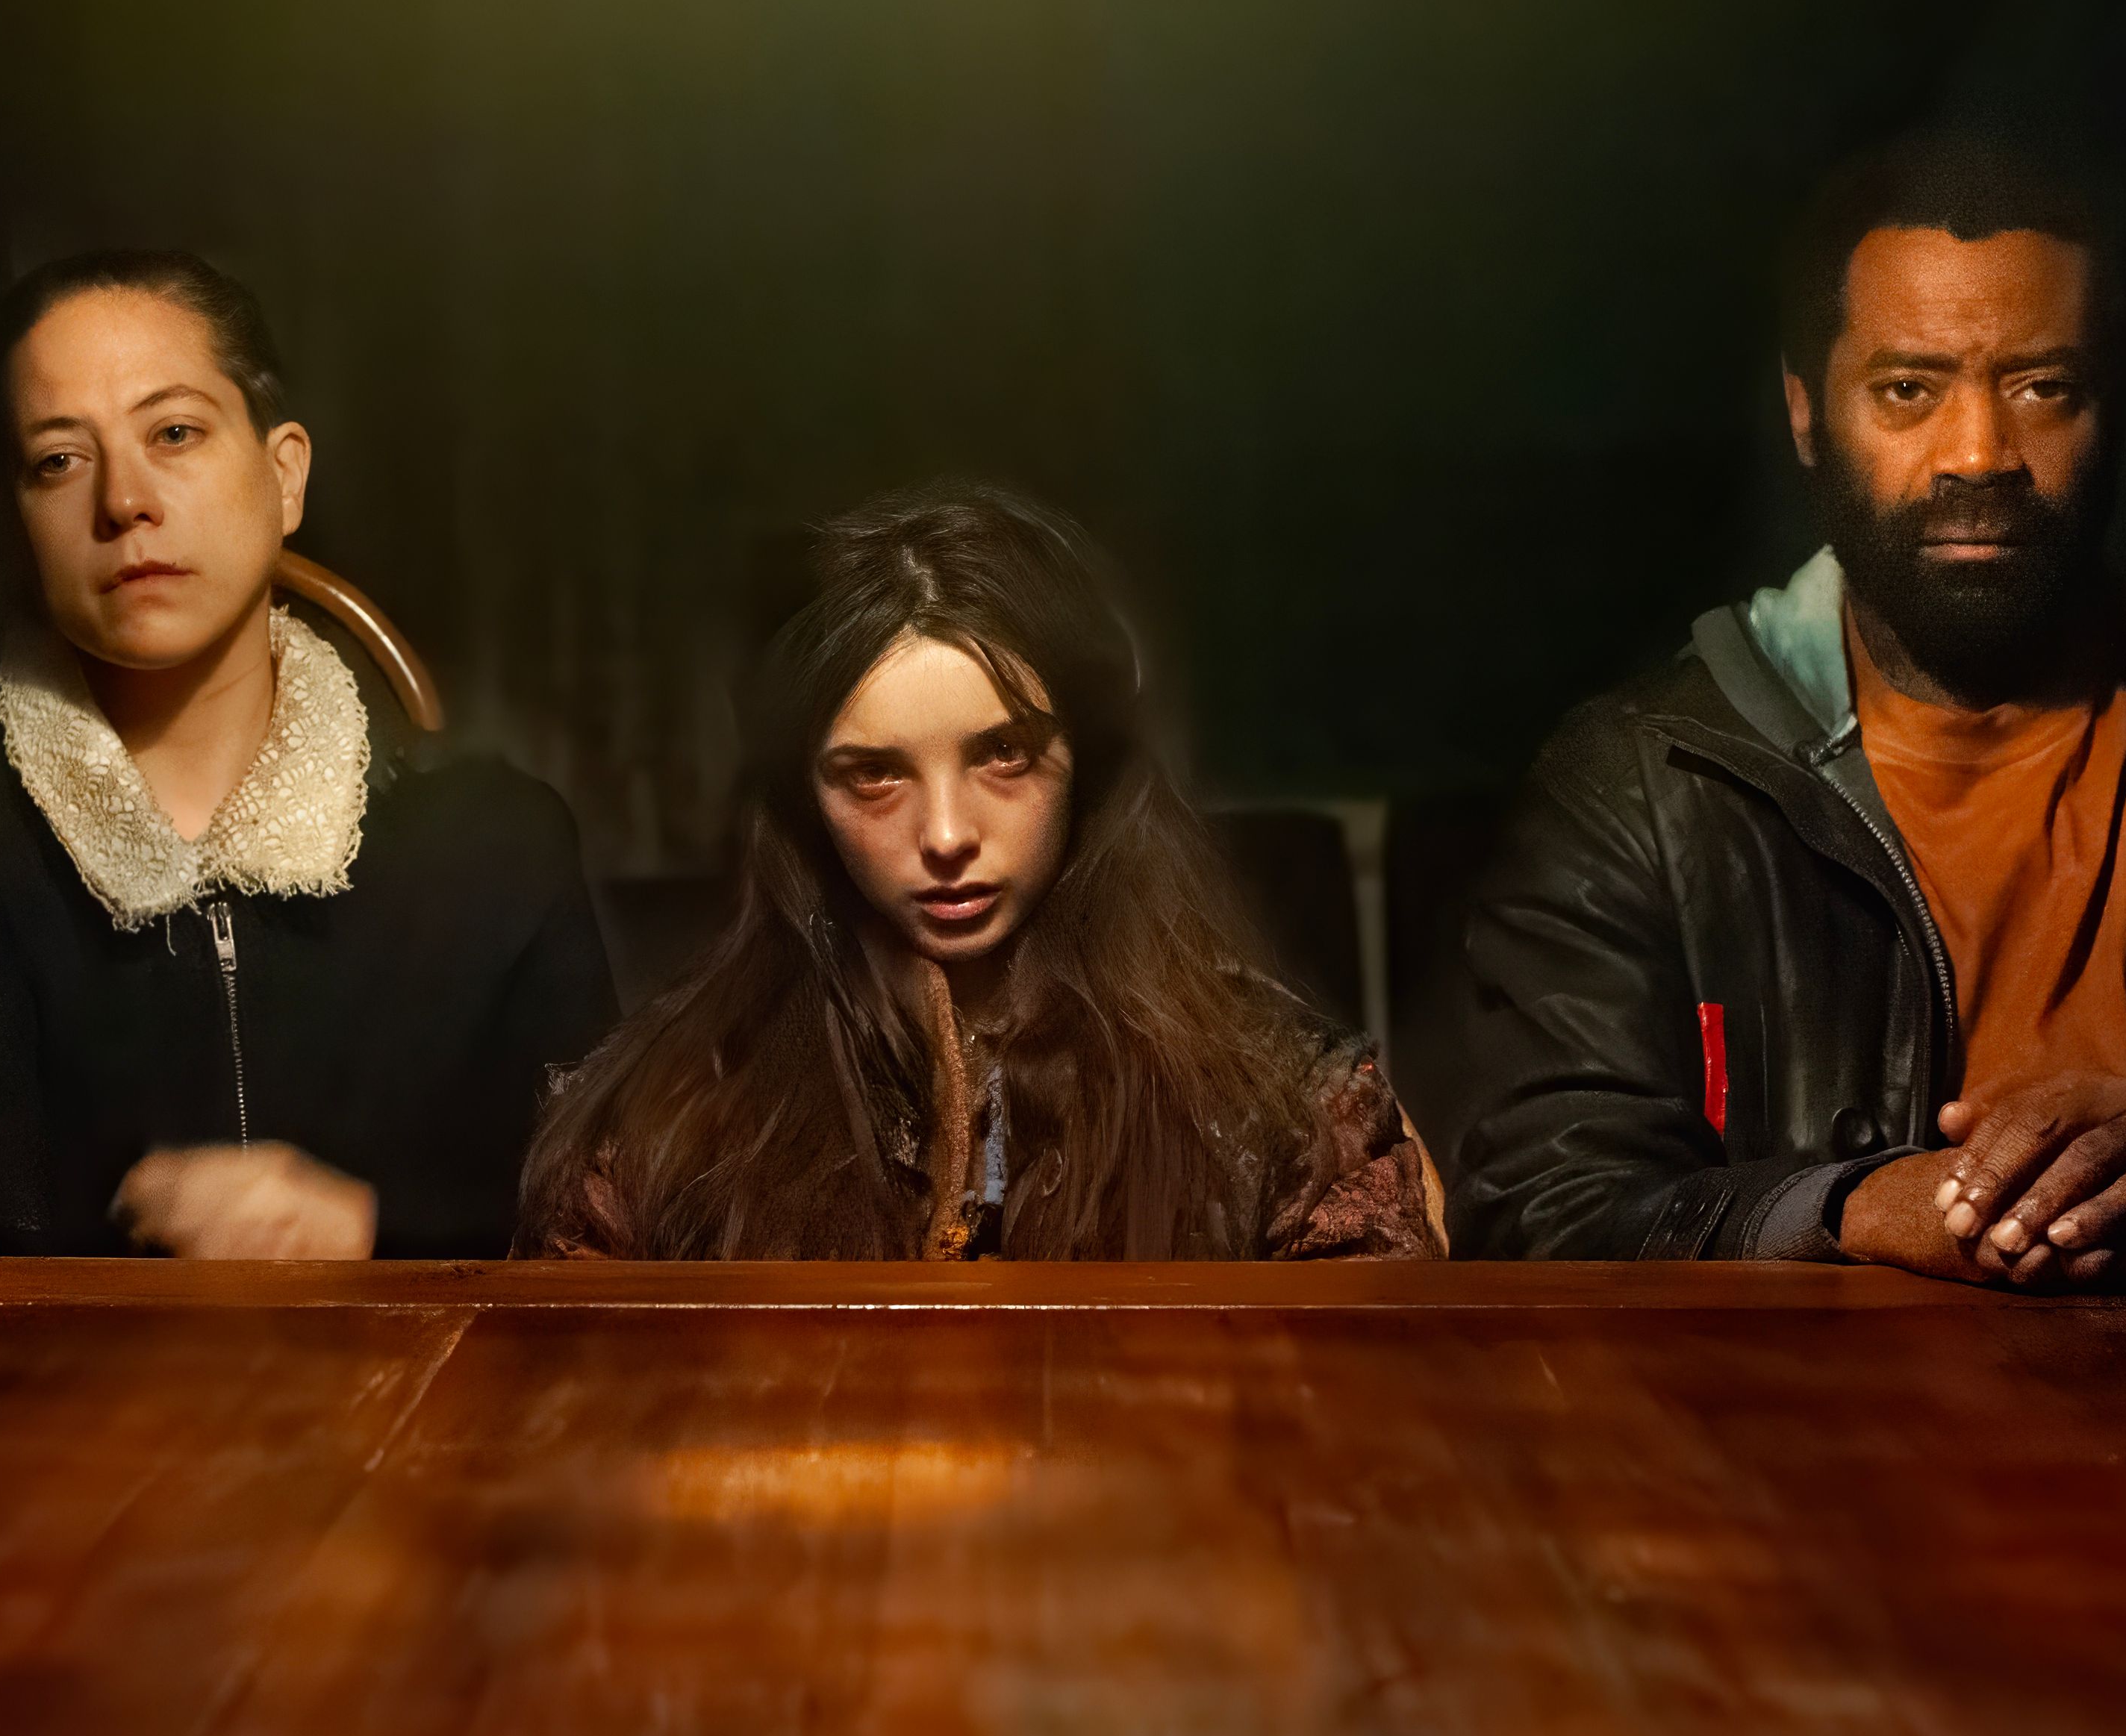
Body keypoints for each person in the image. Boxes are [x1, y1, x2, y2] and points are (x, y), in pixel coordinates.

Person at [1441, 135, 2126, 1320]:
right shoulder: (1643, 783)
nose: (1979, 453)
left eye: (2043, 386)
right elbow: (1539, 1204)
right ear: (1805, 412)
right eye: (1909, 389)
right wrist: (1853, 1209)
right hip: (1802, 1425)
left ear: (2115, 407)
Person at [0, 250, 616, 1259]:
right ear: (17, 520)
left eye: (174, 432)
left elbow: (591, 1239)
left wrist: (371, 1236)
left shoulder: (500, 848)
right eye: (59, 460)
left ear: (284, 473)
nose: (123, 501)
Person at [517, 484, 1444, 1261]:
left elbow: (1366, 1401)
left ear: (1085, 764)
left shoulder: (1279, 1105)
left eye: (1004, 754)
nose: (948, 833)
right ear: (804, 797)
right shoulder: (660, 1124)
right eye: (874, 774)